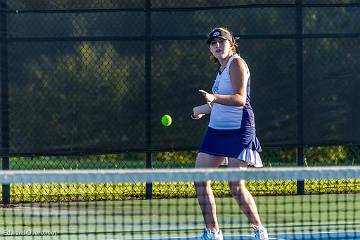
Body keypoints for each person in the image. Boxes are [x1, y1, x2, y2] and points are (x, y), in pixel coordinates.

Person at [191, 27, 269, 240]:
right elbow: (218, 101)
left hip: (239, 130)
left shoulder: (237, 64)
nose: (217, 46)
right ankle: (213, 232)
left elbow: (239, 99)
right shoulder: (221, 69)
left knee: (235, 186)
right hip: (216, 131)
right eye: (213, 43)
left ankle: (259, 230)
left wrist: (214, 98)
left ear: (231, 44)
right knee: (200, 179)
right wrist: (202, 110)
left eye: (221, 42)